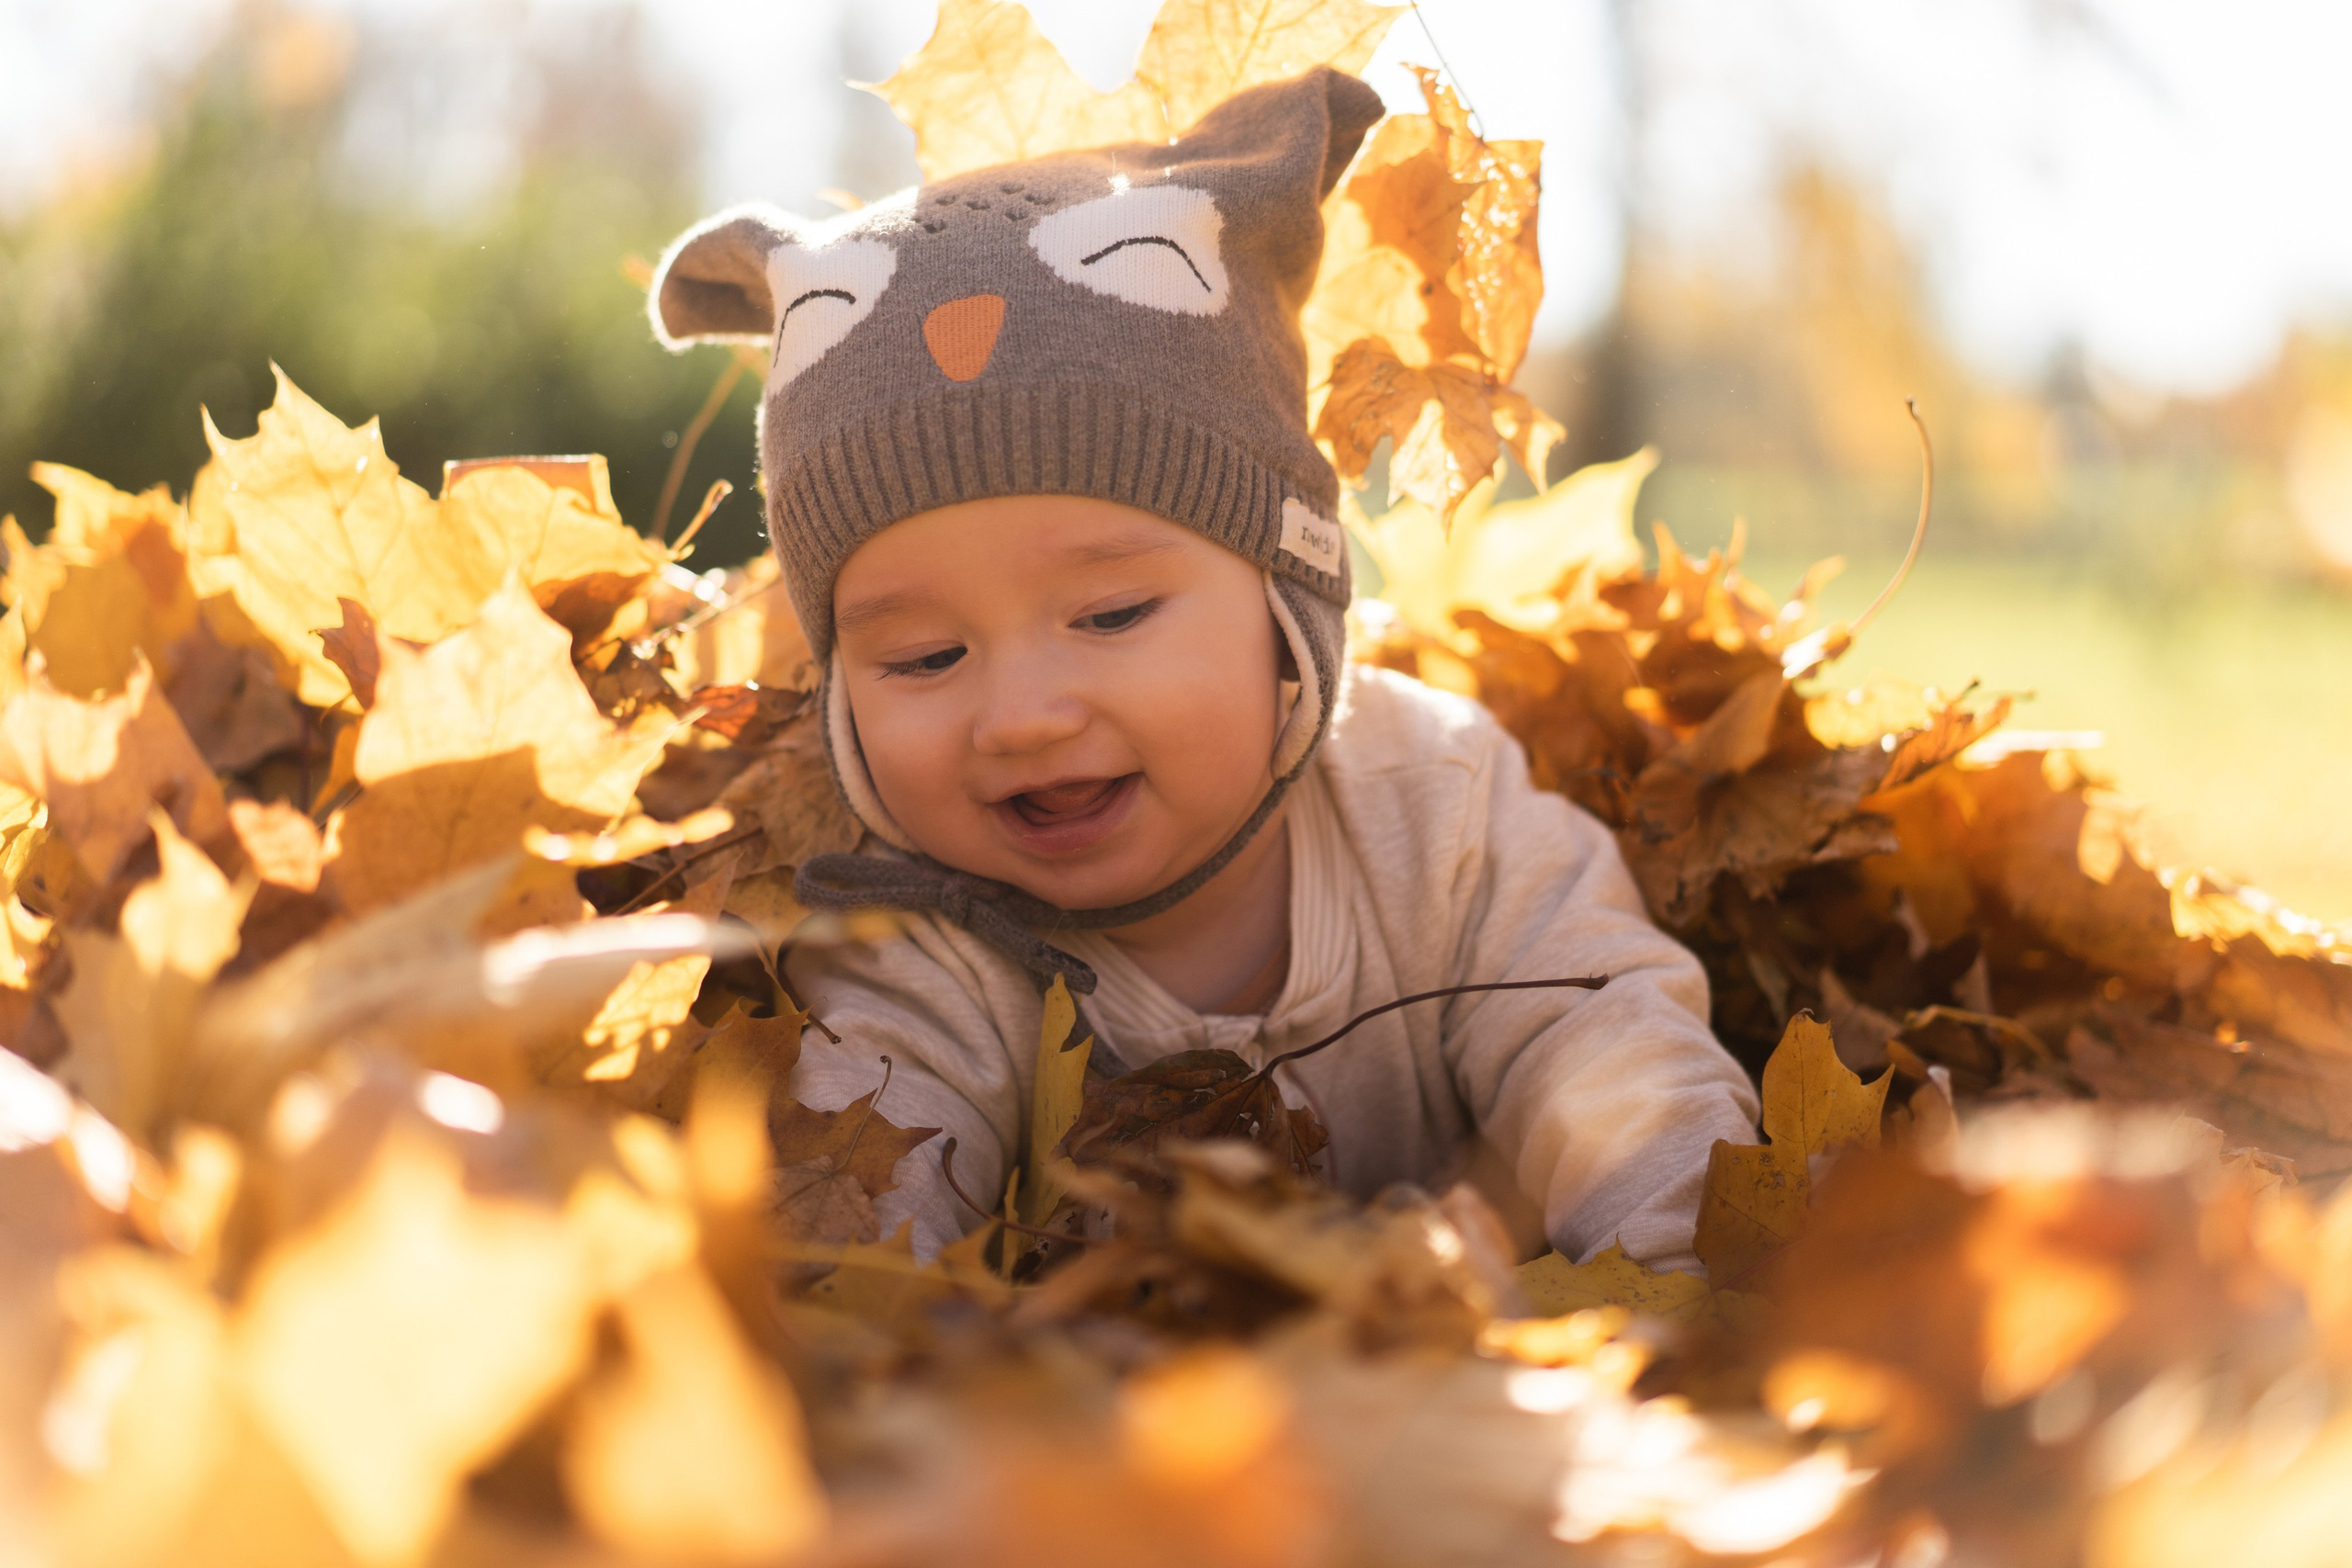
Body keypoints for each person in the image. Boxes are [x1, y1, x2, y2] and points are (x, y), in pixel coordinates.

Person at [648, 66, 1758, 1272]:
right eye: (923, 657)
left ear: (1291, 594)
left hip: (1468, 1396)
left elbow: (1606, 1043)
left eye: (1114, 614)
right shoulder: (920, 951)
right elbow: (866, 1217)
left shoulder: (1438, 807)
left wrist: (1678, 1283)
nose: (1021, 716)